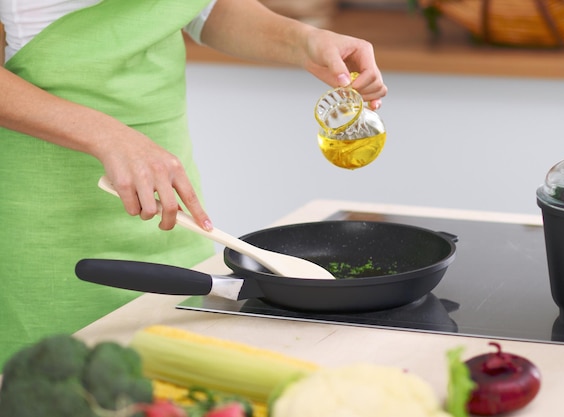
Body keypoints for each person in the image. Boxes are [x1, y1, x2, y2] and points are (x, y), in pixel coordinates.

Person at [0, 0, 387, 367]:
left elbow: (201, 8)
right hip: (49, 214)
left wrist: (303, 41)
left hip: (167, 199)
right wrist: (107, 135)